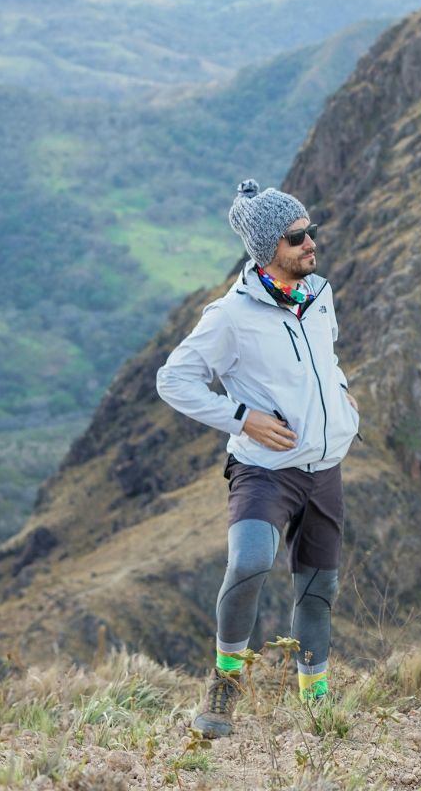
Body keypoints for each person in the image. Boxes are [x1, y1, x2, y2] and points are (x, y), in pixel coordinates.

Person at [156, 179, 360, 737]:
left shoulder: (319, 295)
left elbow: (327, 357)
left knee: (318, 592)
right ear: (269, 248)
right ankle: (225, 685)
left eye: (311, 231)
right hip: (265, 470)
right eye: (298, 237)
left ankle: (315, 705)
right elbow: (174, 380)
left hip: (325, 468)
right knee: (249, 562)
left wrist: (341, 395)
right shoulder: (230, 315)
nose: (311, 243)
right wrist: (242, 417)